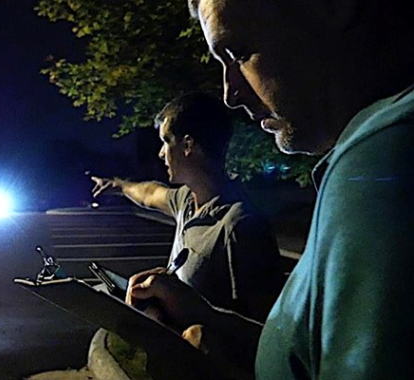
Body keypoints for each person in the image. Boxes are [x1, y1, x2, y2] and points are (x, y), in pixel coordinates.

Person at [127, 0, 414, 377]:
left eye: (239, 52)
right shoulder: (370, 155)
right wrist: (203, 317)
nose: (231, 92)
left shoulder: (381, 158)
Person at [91, 93, 285, 321]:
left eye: (166, 141)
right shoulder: (185, 200)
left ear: (188, 145)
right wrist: (118, 185)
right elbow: (149, 193)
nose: (161, 153)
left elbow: (268, 327)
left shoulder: (240, 226)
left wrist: (204, 320)